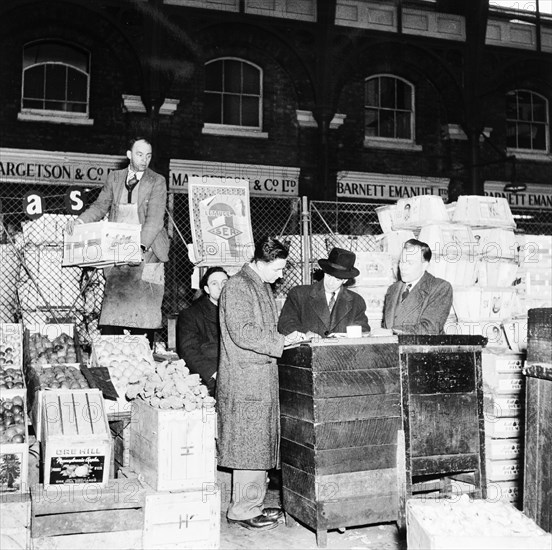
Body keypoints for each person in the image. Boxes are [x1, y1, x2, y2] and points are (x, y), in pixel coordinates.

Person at [217, 236, 302, 531]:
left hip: (258, 379)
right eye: (278, 269)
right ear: (261, 263)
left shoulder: (259, 284)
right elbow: (244, 332)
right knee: (249, 448)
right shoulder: (239, 286)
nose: (281, 274)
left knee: (257, 446)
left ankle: (253, 503)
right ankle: (243, 509)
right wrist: (283, 341)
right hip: (246, 381)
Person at [65, 137, 169, 346]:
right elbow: (100, 205)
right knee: (113, 315)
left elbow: (155, 219)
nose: (144, 160)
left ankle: (142, 360)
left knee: (144, 318)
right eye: (139, 154)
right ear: (129, 155)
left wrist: (139, 247)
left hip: (147, 254)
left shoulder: (157, 181)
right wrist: (79, 221)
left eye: (148, 155)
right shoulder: (114, 178)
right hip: (117, 253)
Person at [278, 247, 370, 338]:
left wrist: (348, 336)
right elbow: (285, 324)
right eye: (329, 276)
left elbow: (364, 330)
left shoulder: (356, 301)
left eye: (337, 279)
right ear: (324, 272)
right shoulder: (299, 294)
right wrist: (305, 334)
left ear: (345, 280)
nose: (330, 283)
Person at [176, 266, 228, 396]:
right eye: (214, 283)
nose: (220, 287)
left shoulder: (237, 312)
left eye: (224, 283)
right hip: (211, 376)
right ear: (206, 289)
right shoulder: (191, 315)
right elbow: (189, 352)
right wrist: (214, 374)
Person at [382, 239, 452, 335]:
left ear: (425, 265)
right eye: (401, 262)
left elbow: (430, 328)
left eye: (410, 263)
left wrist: (391, 332)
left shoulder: (440, 288)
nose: (403, 267)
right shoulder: (392, 289)